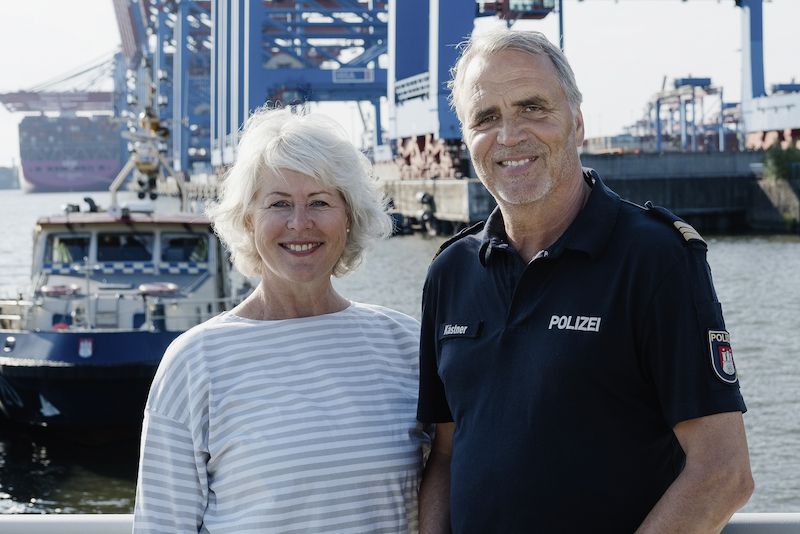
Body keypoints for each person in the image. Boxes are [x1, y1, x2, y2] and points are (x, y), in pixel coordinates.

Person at [417, 28, 754, 533]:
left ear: (577, 124)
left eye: (533, 108)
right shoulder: (450, 273)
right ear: (467, 141)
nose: (510, 136)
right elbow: (444, 454)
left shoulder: (654, 258)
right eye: (486, 118)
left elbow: (723, 472)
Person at [133, 106, 424, 533]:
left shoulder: (405, 345)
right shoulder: (196, 362)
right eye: (279, 204)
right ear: (249, 221)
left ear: (349, 218)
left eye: (320, 202)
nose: (299, 223)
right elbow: (162, 524)